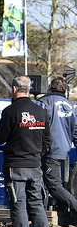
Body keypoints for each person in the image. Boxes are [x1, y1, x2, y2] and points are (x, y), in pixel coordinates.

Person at [0, 75, 53, 227]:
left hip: (15, 166)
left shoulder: (10, 112)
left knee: (19, 207)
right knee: (37, 206)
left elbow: (0, 138)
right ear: (28, 89)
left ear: (14, 89)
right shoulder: (41, 112)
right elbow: (47, 141)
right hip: (35, 166)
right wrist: (36, 155)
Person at [36, 77, 77, 211]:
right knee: (58, 184)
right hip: (65, 150)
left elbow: (36, 127)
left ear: (49, 88)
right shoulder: (70, 106)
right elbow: (75, 130)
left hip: (49, 150)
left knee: (52, 185)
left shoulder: (44, 102)